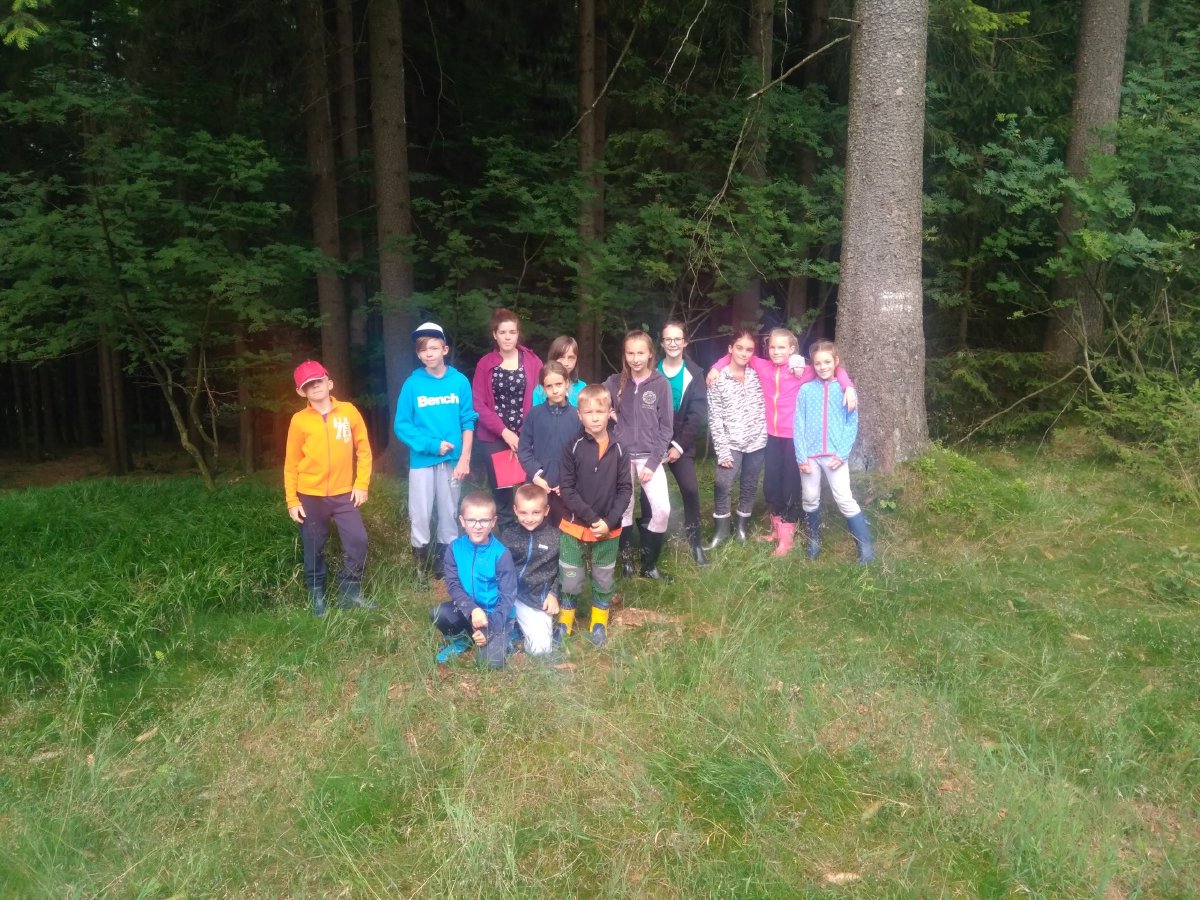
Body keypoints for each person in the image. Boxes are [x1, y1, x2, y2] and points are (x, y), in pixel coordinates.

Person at [709, 328, 856, 557]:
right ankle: (777, 529)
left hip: (794, 438)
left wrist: (848, 387)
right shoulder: (762, 366)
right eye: (772, 347)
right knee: (772, 485)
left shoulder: (803, 371)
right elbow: (737, 355)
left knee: (790, 485)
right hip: (770, 436)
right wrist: (716, 367)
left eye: (782, 347)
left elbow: (833, 367)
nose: (776, 351)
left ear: (792, 349)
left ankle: (787, 536)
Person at [284, 360, 373, 617]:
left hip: (344, 493)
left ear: (329, 382)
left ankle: (350, 592)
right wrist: (292, 500)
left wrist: (361, 484)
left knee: (358, 540)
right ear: (301, 391)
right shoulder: (299, 421)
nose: (315, 387)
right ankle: (317, 595)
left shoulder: (349, 412)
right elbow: (291, 463)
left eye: (318, 381)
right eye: (308, 385)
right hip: (310, 495)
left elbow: (364, 450)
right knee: (313, 546)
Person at [393, 322, 477, 580]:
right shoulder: (412, 384)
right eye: (422, 350)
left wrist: (464, 459)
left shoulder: (459, 382)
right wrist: (432, 445)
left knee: (449, 512)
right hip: (422, 461)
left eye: (433, 348)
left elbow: (468, 421)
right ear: (418, 355)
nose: (428, 353)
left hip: (452, 461)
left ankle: (444, 564)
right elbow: (402, 425)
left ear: (444, 349)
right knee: (420, 513)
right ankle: (420, 566)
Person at [557, 384, 633, 646]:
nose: (595, 418)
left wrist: (609, 522)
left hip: (608, 529)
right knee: (571, 577)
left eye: (600, 412)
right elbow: (567, 489)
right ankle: (565, 622)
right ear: (579, 415)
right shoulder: (572, 447)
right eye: (589, 412)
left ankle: (598, 622)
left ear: (610, 413)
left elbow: (625, 489)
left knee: (603, 576)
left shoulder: (620, 448)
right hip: (575, 526)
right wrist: (592, 519)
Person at [603, 330, 674, 581]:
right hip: (621, 455)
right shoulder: (614, 383)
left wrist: (653, 463)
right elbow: (594, 399)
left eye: (640, 353)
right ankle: (626, 562)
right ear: (624, 355)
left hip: (649, 457)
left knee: (662, 510)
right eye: (630, 353)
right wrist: (608, 412)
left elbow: (666, 428)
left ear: (650, 353)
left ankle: (649, 563)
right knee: (624, 508)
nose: (635, 358)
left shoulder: (660, 384)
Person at [795, 341, 874, 564]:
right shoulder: (806, 390)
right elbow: (798, 424)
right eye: (818, 363)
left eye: (827, 362)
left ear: (836, 362)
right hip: (809, 456)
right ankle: (813, 541)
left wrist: (842, 454)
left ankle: (865, 547)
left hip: (835, 456)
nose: (822, 367)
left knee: (844, 498)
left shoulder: (846, 390)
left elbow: (851, 424)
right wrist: (801, 457)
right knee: (810, 498)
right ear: (813, 365)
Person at [472, 308, 543, 528]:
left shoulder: (532, 361)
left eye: (512, 332)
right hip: (495, 438)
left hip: (527, 437)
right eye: (502, 332)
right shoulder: (485, 364)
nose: (508, 337)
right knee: (502, 495)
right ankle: (509, 539)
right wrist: (504, 432)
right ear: (495, 335)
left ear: (518, 333)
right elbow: (478, 404)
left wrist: (525, 434)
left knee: (531, 492)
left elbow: (541, 396)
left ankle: (533, 537)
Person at [431, 492, 519, 668]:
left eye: (484, 521)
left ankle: (508, 634)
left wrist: (489, 628)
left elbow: (508, 597)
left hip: (496, 614)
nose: (477, 526)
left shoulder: (501, 554)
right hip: (470, 611)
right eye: (471, 520)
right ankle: (463, 639)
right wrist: (472, 609)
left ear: (493, 522)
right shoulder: (454, 548)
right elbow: (453, 585)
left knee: (490, 663)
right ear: (462, 521)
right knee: (439, 613)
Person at [706, 329, 767, 548]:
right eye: (739, 348)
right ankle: (721, 531)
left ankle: (741, 528)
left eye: (749, 350)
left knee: (749, 485)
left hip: (757, 441)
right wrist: (722, 451)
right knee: (722, 484)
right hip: (730, 443)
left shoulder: (758, 375)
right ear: (730, 349)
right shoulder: (717, 378)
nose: (743, 353)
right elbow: (715, 417)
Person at [657, 321, 709, 565]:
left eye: (677, 339)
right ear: (662, 343)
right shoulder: (652, 370)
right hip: (653, 440)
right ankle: (649, 545)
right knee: (648, 496)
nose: (673, 343)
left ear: (685, 342)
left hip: (681, 441)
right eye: (668, 339)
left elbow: (696, 415)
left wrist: (678, 446)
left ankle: (695, 543)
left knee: (690, 490)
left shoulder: (694, 374)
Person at [517, 361, 582, 525]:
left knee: (564, 528)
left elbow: (582, 454)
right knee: (538, 526)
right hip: (538, 485)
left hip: (565, 487)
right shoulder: (534, 414)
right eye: (549, 386)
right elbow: (524, 449)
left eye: (559, 384)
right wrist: (536, 475)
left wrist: (568, 481)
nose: (555, 390)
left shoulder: (577, 417)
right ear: (543, 388)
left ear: (567, 383)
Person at [499, 483, 561, 656]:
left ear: (546, 510)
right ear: (515, 510)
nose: (529, 518)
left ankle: (521, 628)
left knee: (540, 651)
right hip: (508, 595)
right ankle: (513, 627)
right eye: (523, 513)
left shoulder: (556, 537)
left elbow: (563, 571)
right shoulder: (508, 536)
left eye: (535, 512)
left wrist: (554, 594)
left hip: (535, 599)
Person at [531, 335, 586, 407]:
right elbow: (537, 413)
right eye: (561, 357)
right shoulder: (540, 390)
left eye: (571, 358)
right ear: (553, 358)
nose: (566, 363)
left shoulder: (582, 388)